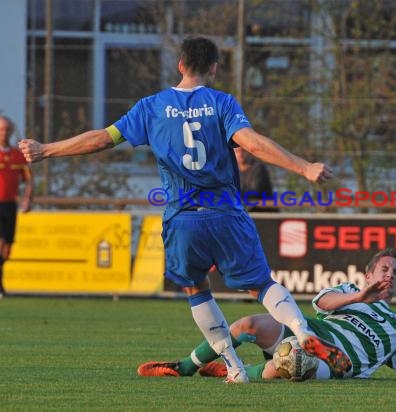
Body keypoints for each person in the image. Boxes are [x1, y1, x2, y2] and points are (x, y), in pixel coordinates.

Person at [18, 36, 351, 383]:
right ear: (213, 67)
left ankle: (235, 369)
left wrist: (46, 150)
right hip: (225, 211)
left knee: (195, 288)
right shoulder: (221, 102)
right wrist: (304, 167)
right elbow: (251, 143)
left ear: (180, 65)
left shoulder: (152, 106)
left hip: (182, 216)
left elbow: (102, 138)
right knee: (261, 285)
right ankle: (302, 333)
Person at [137, 249, 396, 383]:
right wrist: (360, 296)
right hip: (310, 332)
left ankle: (233, 370)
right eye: (384, 269)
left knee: (294, 362)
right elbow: (320, 305)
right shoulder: (348, 290)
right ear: (368, 275)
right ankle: (184, 367)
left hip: (336, 365)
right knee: (246, 325)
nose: (390, 275)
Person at [0, 115, 33, 297]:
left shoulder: (17, 156)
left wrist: (27, 199)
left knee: (8, 246)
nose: (4, 133)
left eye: (7, 129)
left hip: (10, 204)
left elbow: (29, 180)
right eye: (1, 129)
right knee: (1, 242)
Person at [234, 146, 277, 212]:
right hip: (245, 211)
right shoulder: (233, 170)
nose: (240, 154)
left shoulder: (258, 168)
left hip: (264, 212)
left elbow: (253, 193)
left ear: (248, 152)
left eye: (243, 151)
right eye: (237, 151)